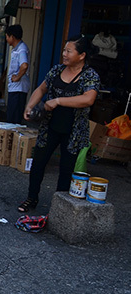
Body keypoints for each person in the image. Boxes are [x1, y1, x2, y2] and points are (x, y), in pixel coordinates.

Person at [17, 35, 100, 213]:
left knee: (66, 170)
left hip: (73, 131)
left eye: (69, 51)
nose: (64, 54)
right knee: (38, 163)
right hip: (50, 126)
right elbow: (41, 89)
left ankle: (59, 208)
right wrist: (29, 106)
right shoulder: (57, 70)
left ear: (82, 55)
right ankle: (31, 198)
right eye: (64, 50)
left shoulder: (90, 75)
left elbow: (88, 99)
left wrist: (58, 101)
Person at [5, 25, 30, 124]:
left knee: (14, 120)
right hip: (14, 88)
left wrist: (17, 77)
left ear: (12, 37)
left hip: (18, 89)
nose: (6, 39)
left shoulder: (22, 49)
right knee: (11, 118)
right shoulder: (16, 49)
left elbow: (24, 65)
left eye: (7, 36)